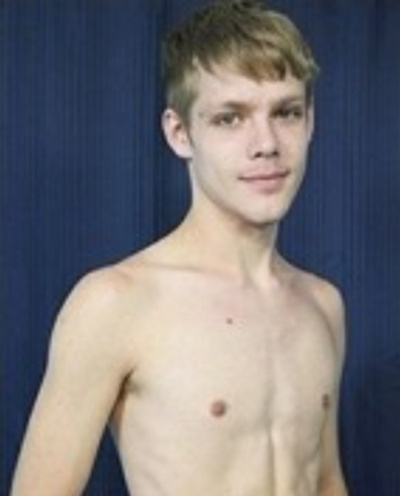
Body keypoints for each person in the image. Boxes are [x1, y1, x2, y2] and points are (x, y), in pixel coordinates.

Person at [10, 1, 349, 495]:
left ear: (310, 121)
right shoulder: (115, 303)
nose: (267, 143)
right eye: (230, 118)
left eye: (286, 112)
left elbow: (325, 482)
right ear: (179, 132)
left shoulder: (323, 305)